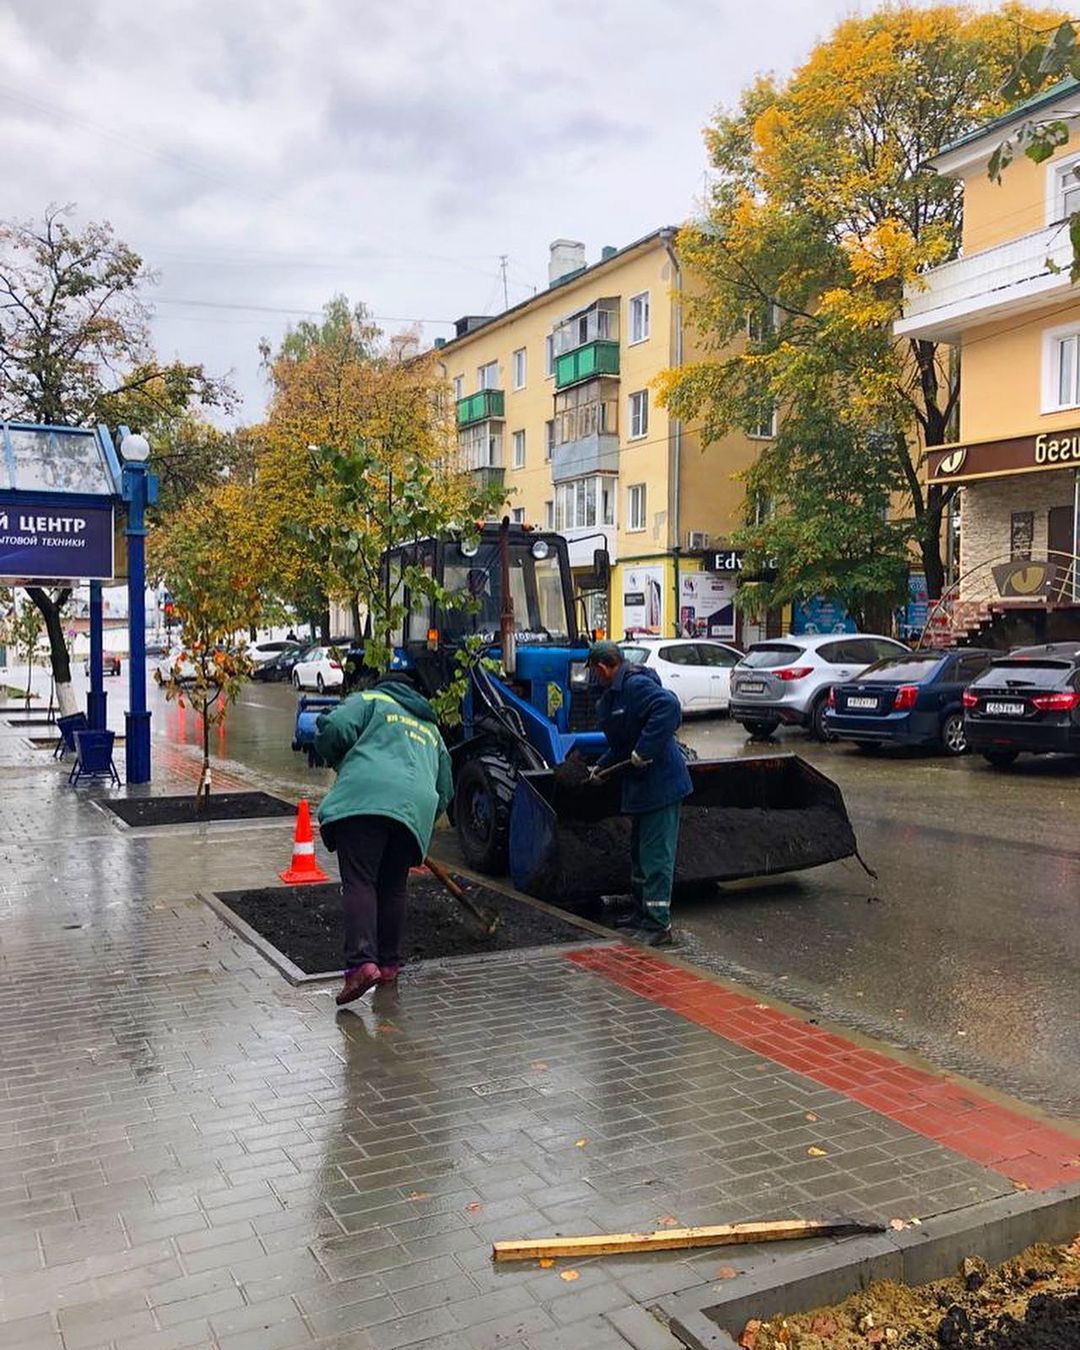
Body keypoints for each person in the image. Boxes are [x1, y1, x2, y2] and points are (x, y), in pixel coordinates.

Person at [314, 670, 453, 1005]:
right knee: (393, 886)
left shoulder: (370, 700)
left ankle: (362, 964)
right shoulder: (431, 728)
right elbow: (446, 788)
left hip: (365, 799)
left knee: (360, 879)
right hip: (412, 811)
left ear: (385, 686)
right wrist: (419, 818)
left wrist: (336, 757)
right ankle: (388, 964)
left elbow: (334, 727)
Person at [588, 640, 692, 946]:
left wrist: (644, 750)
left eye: (594, 671)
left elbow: (669, 707)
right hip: (641, 787)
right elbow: (621, 744)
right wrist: (600, 767)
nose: (594, 677)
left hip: (661, 784)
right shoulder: (613, 696)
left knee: (655, 855)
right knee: (639, 853)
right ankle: (641, 914)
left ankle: (659, 925)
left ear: (604, 667)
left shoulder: (634, 686)